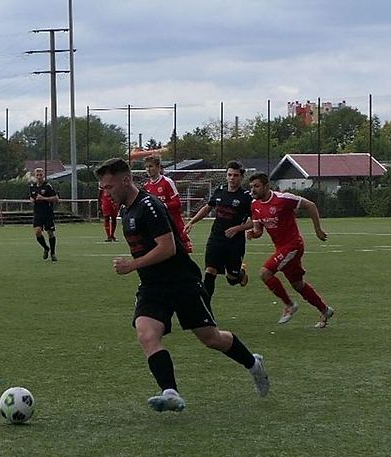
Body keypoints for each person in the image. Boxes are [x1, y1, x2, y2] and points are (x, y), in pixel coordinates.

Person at [95, 157, 268, 413]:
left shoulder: (148, 206)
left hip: (181, 282)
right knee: (146, 334)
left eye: (108, 187)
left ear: (126, 180)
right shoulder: (126, 208)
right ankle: (170, 392)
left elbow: (168, 248)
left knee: (211, 338)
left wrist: (132, 265)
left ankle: (253, 363)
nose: (106, 192)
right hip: (153, 286)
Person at [246, 172, 334, 328]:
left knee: (265, 273)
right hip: (282, 248)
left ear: (266, 186)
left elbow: (310, 205)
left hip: (293, 245)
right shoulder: (255, 205)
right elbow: (259, 230)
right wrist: (253, 233)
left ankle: (289, 305)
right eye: (251, 186)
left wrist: (318, 230)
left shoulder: (283, 199)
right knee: (298, 285)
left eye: (257, 186)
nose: (253, 190)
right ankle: (325, 310)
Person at [182, 160, 254, 302]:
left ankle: (240, 272)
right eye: (229, 175)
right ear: (226, 176)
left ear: (241, 177)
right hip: (216, 238)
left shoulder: (246, 197)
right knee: (210, 271)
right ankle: (206, 307)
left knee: (232, 279)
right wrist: (192, 221)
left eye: (235, 175)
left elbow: (255, 221)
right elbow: (208, 207)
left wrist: (238, 228)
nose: (232, 178)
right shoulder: (220, 191)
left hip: (235, 243)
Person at [143, 155, 193, 253]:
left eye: (151, 166)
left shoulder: (167, 182)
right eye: (146, 167)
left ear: (158, 167)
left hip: (174, 222)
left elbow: (177, 203)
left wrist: (162, 206)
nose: (148, 169)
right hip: (160, 225)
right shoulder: (146, 186)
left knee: (184, 250)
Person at [29, 167, 59, 261]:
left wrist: (44, 198)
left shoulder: (48, 186)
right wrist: (31, 200)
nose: (39, 177)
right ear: (35, 176)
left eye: (41, 175)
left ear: (44, 176)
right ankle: (46, 248)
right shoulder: (32, 187)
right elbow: (31, 197)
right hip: (38, 213)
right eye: (37, 175)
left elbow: (56, 199)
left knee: (50, 233)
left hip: (47, 213)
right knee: (37, 232)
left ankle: (53, 253)